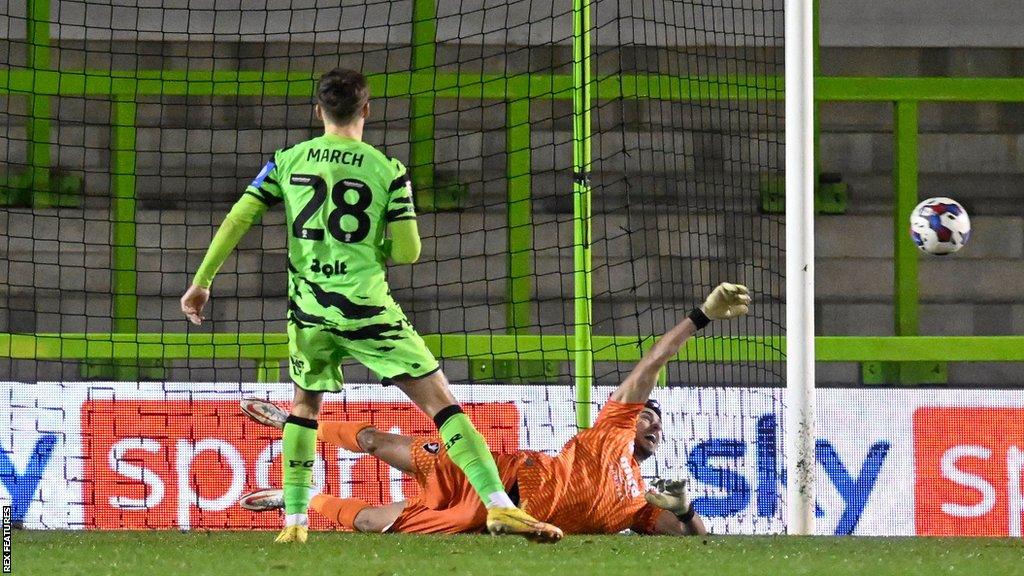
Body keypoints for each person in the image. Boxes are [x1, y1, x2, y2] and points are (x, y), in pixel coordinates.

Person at [180, 68, 561, 543]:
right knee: (441, 405)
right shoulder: (387, 170)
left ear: (318, 111)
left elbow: (239, 217)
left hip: (310, 312)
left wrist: (201, 282)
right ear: (366, 109)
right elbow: (408, 252)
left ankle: (295, 523)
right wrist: (371, 242)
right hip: (368, 310)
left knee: (304, 406)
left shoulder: (286, 160)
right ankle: (499, 506)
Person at [238, 283, 751, 536]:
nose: (653, 423)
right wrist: (702, 316)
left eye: (658, 423)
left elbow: (689, 543)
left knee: (375, 523)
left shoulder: (640, 504)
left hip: (493, 518)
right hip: (495, 473)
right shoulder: (612, 429)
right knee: (376, 442)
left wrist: (684, 509)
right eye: (648, 414)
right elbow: (655, 359)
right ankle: (295, 421)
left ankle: (299, 496)